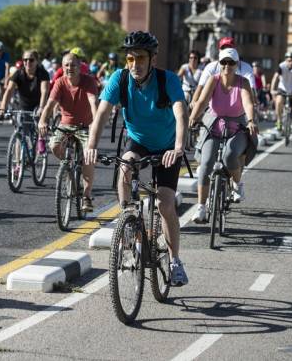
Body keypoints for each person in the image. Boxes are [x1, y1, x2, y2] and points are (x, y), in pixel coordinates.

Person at [84, 31, 190, 286]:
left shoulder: (168, 80)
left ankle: (175, 261)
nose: (135, 64)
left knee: (165, 204)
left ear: (152, 59)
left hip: (166, 147)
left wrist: (178, 147)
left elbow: (181, 113)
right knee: (125, 167)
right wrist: (91, 146)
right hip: (139, 140)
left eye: (140, 58)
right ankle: (129, 222)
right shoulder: (119, 79)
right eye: (130, 59)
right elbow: (100, 114)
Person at [189, 48, 257, 222]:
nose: (227, 66)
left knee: (230, 155)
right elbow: (203, 101)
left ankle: (237, 183)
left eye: (231, 62)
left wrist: (251, 121)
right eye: (224, 62)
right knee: (205, 165)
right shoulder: (214, 80)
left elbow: (248, 103)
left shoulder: (243, 82)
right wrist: (192, 118)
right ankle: (201, 208)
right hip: (214, 125)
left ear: (236, 65)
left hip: (237, 126)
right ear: (219, 64)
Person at [38, 52, 98, 212]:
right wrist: (42, 120)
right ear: (62, 67)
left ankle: (86, 196)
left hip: (85, 125)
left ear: (80, 67)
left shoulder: (88, 82)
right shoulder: (59, 82)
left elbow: (93, 103)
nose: (69, 68)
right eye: (66, 65)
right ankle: (69, 169)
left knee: (89, 156)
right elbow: (50, 104)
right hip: (65, 125)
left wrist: (95, 126)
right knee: (54, 145)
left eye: (73, 65)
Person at [0, 50, 50, 142]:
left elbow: (44, 91)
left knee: (39, 130)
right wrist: (2, 108)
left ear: (37, 61)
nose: (27, 62)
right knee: (20, 134)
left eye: (31, 60)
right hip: (24, 106)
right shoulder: (18, 74)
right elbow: (9, 90)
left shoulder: (43, 73)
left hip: (39, 105)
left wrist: (41, 108)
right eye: (25, 60)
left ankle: (41, 143)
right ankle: (19, 156)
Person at [191, 37, 254, 107]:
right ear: (219, 50)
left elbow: (252, 89)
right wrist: (194, 102)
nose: (226, 51)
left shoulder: (245, 68)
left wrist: (252, 104)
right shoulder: (211, 67)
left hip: (239, 110)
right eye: (223, 48)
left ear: (235, 51)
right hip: (214, 110)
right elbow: (201, 87)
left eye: (229, 48)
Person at [270, 52, 292, 130]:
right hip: (283, 87)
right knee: (278, 101)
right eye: (288, 61)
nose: (290, 63)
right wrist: (272, 89)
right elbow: (275, 78)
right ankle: (279, 120)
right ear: (286, 60)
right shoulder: (281, 66)